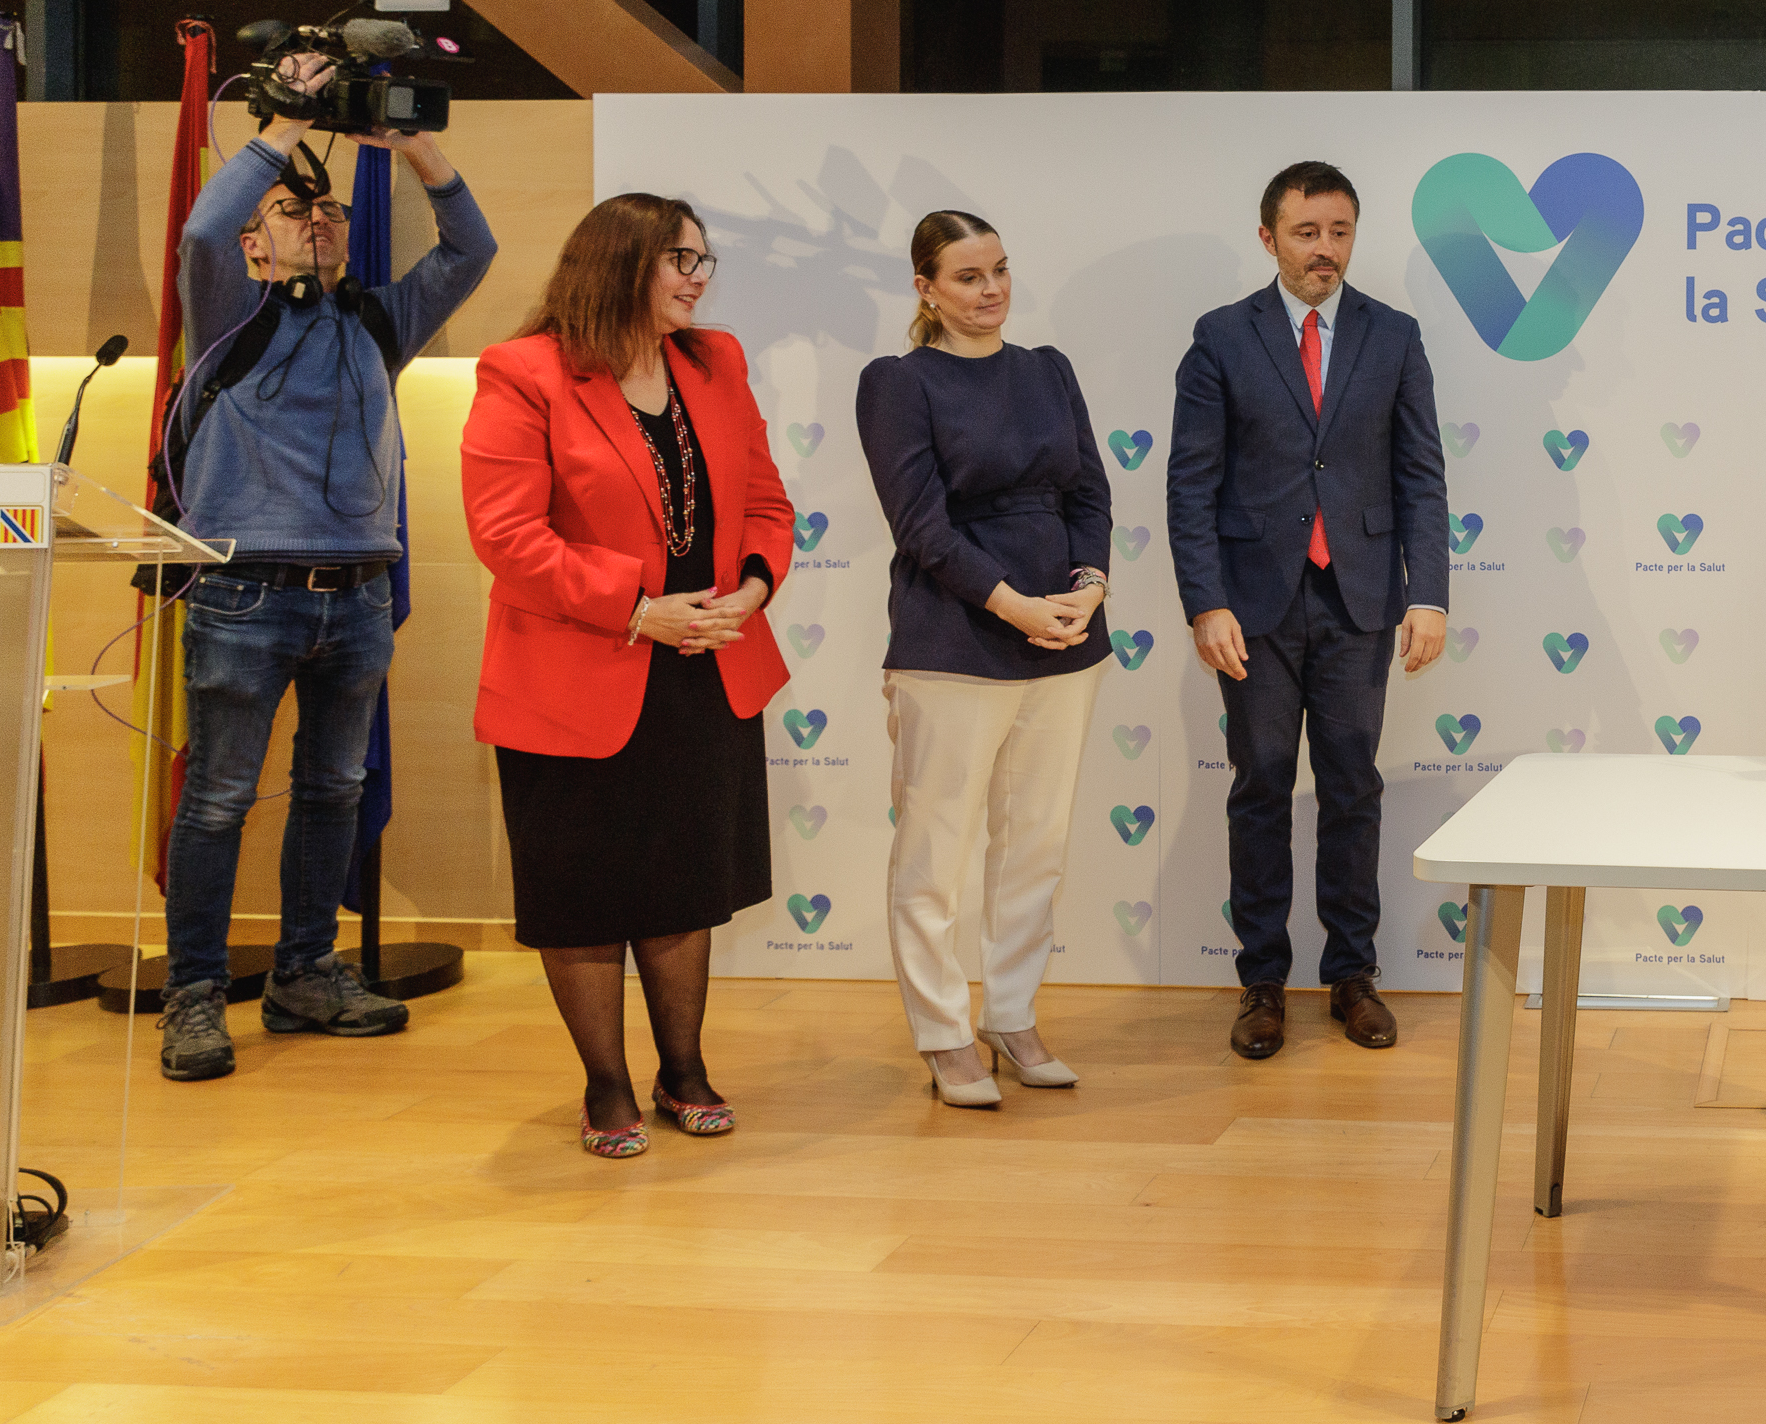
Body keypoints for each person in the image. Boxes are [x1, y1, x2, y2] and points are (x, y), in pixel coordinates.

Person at [156, 56, 495, 1082]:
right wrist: (282, 127)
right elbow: (201, 232)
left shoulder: (377, 322)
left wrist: (414, 146)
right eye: (297, 212)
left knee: (333, 790)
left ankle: (304, 973)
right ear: (257, 242)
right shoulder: (229, 309)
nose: (322, 223)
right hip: (245, 590)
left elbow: (471, 249)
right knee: (219, 798)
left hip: (357, 596)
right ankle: (193, 996)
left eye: (334, 211)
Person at [462, 194, 793, 1156]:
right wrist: (638, 608)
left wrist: (752, 590)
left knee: (685, 882)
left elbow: (766, 502)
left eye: (703, 259)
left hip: (705, 664)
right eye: (679, 259)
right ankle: (606, 1084)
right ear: (619, 263)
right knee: (583, 891)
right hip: (575, 673)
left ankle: (682, 1068)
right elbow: (508, 535)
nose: (698, 276)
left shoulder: (716, 360)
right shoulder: (524, 371)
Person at [1168, 161, 1448, 1061]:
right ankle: (1261, 981)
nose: (1324, 249)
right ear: (1269, 238)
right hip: (1252, 604)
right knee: (1259, 787)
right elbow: (1190, 483)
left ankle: (1352, 975)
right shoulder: (1221, 336)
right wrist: (1205, 601)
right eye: (1306, 232)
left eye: (1339, 232)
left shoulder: (1394, 335)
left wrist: (1428, 592)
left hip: (1359, 597)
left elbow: (1421, 475)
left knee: (1352, 787)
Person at [856, 211, 1112, 1109]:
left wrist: (1089, 584)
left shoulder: (1049, 369)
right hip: (953, 640)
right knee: (936, 850)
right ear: (925, 288)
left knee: (1036, 843)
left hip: (1066, 639)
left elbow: (1089, 490)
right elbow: (920, 526)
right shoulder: (898, 382)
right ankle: (943, 1031)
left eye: (999, 269)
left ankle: (1011, 1013)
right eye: (968, 276)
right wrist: (1013, 604)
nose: (992, 289)